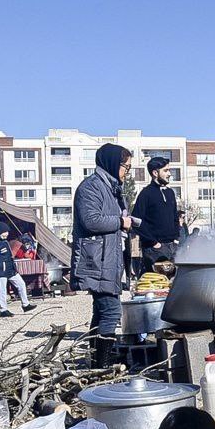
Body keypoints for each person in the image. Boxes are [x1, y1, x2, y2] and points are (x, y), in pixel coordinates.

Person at [72, 143, 133, 368]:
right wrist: (119, 222)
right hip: (96, 260)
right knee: (111, 311)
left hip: (110, 258)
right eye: (125, 166)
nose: (127, 171)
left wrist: (124, 219)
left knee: (101, 311)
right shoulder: (91, 187)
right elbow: (90, 220)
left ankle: (96, 360)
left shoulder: (112, 188)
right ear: (112, 164)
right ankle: (102, 365)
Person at [132, 157, 180, 273]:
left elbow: (174, 217)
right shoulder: (146, 194)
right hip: (154, 249)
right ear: (155, 173)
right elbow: (136, 220)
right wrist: (154, 243)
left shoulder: (170, 193)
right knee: (157, 284)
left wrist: (176, 238)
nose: (169, 174)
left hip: (172, 247)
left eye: (169, 170)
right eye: (165, 171)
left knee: (172, 283)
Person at [0, 222, 34, 317]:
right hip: (0, 271)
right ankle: (3, 310)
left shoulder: (5, 242)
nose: (7, 233)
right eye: (5, 232)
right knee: (2, 290)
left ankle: (25, 304)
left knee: (21, 284)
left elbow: (9, 257)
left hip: (10, 270)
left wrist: (13, 268)